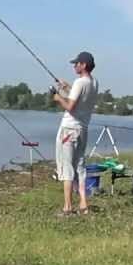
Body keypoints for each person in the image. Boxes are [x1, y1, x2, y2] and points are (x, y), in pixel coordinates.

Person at [50, 51, 99, 215]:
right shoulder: (94, 82)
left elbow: (70, 107)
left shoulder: (79, 82)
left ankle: (67, 208)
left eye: (76, 63)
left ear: (83, 65)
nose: (74, 66)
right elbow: (81, 99)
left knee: (66, 167)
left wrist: (58, 98)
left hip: (69, 129)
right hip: (82, 129)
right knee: (80, 165)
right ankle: (84, 204)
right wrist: (67, 88)